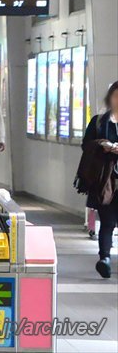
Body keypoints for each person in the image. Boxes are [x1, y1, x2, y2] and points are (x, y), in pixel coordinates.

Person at [82, 81, 118, 278]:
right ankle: (104, 258)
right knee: (107, 221)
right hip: (106, 180)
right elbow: (85, 145)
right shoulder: (98, 122)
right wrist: (102, 144)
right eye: (115, 96)